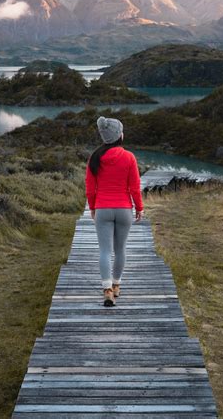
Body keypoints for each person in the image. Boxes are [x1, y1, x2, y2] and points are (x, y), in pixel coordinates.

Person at [85, 116, 144, 307]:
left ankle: (107, 290)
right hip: (124, 209)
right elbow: (135, 187)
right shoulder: (129, 157)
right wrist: (139, 208)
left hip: (103, 209)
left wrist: (93, 207)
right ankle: (117, 285)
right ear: (120, 135)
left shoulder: (94, 159)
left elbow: (90, 189)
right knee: (120, 249)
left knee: (104, 251)